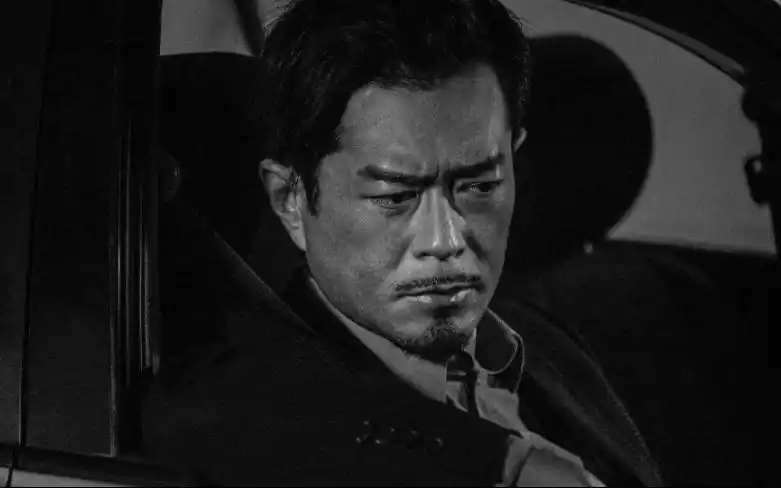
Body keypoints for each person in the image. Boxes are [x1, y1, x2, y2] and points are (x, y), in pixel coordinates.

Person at [141, 0, 663, 485]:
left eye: (480, 186)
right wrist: (508, 464)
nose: (446, 239)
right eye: (395, 197)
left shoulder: (550, 348)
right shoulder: (258, 397)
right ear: (291, 199)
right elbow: (195, 415)